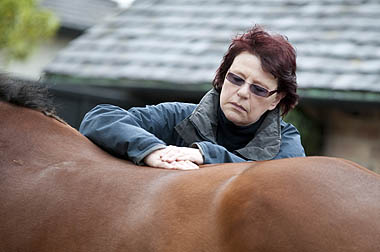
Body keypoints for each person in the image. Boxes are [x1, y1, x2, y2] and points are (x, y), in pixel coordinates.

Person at [79, 25, 305, 170]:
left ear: (276, 99)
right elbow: (101, 118)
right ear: (223, 76)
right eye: (236, 79)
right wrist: (151, 150)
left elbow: (278, 179)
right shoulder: (179, 116)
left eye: (258, 89)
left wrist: (204, 154)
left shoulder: (287, 143)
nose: (243, 92)